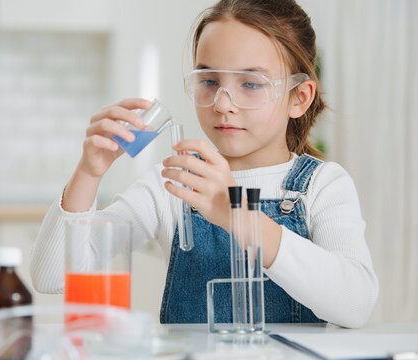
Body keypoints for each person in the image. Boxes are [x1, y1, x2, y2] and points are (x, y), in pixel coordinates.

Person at [30, 0, 378, 328]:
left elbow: (356, 305)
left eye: (251, 84)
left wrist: (237, 215)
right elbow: (51, 277)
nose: (223, 103)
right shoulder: (172, 183)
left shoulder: (323, 185)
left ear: (299, 98)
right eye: (209, 81)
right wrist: (89, 173)